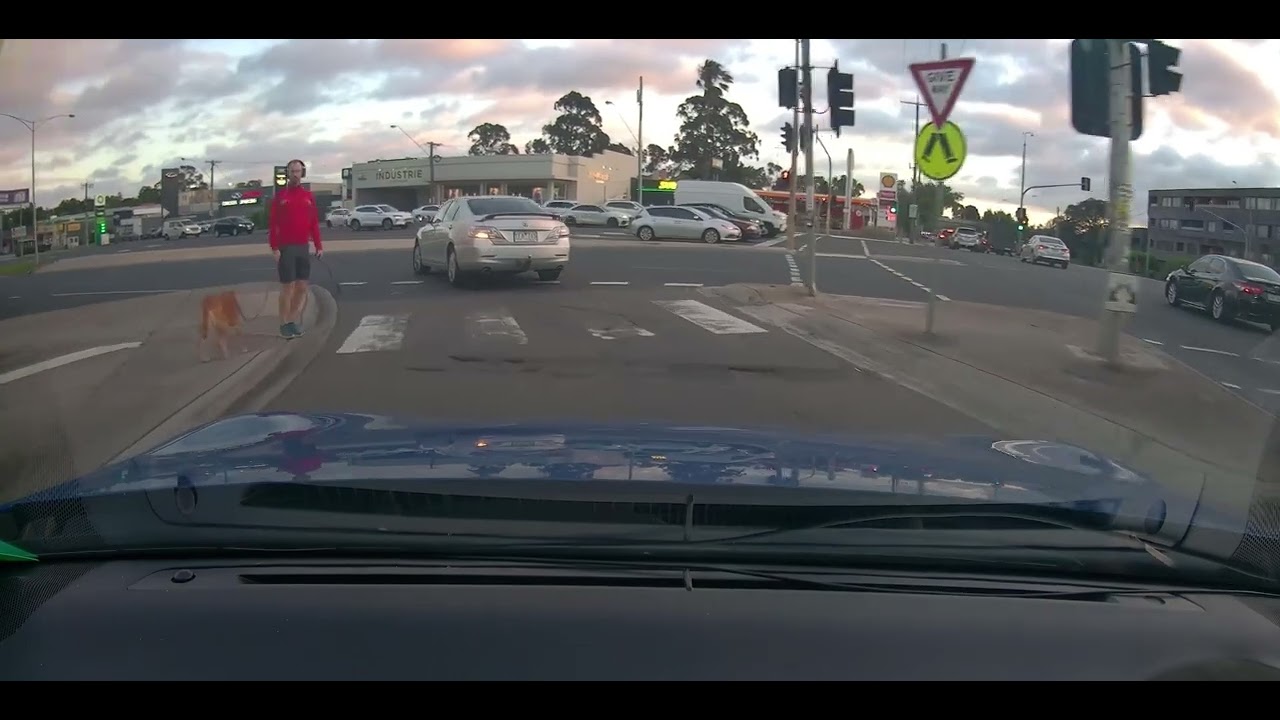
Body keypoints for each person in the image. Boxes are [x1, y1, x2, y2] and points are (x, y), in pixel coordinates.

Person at [268, 159, 323, 338]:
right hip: (286, 246)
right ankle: (283, 323)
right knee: (288, 287)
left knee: (302, 286)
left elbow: (314, 222)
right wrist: (274, 247)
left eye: (298, 171)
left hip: (302, 246)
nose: (295, 175)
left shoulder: (308, 196)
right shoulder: (280, 197)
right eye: (292, 171)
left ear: (302, 173)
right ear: (288, 173)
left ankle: (292, 320)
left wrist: (318, 245)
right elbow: (273, 223)